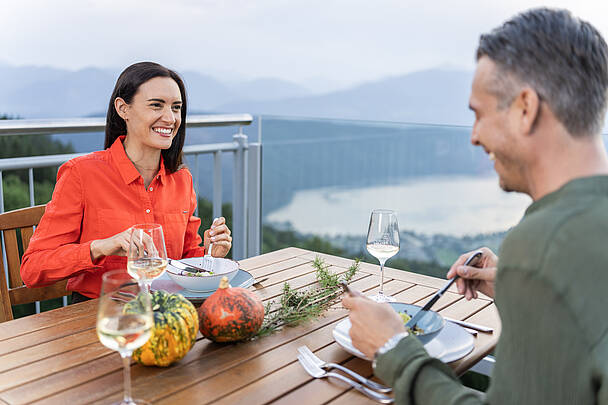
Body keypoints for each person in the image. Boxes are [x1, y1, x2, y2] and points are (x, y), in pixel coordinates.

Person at [343, 8, 608, 404]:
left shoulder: (543, 243)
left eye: (479, 114)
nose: (473, 136)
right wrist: (521, 286)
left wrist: (392, 349)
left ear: (525, 108)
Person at [20, 62, 233, 301]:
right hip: (101, 316)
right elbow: (32, 269)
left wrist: (211, 256)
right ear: (123, 109)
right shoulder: (80, 174)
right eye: (156, 105)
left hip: (166, 312)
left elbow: (184, 259)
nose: (170, 118)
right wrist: (101, 246)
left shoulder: (182, 179)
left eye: (176, 108)